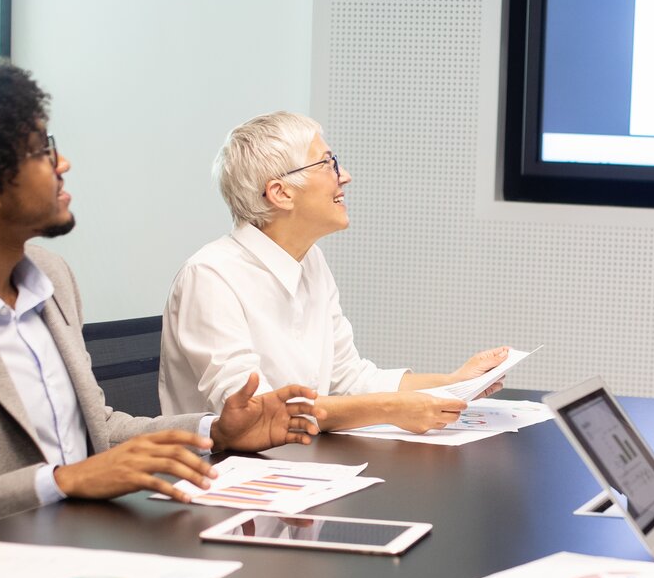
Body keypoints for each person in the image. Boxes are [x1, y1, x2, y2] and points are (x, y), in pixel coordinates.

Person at [0, 64, 324, 558]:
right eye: (42, 149)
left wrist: (214, 430)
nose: (63, 163)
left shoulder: (51, 276)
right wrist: (58, 482)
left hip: (79, 554)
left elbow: (97, 431)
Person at [160, 111, 508, 432]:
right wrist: (389, 409)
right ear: (280, 193)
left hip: (300, 465)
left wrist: (455, 382)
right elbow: (257, 415)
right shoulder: (209, 276)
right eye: (328, 164)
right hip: (225, 480)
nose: (344, 176)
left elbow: (348, 378)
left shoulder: (310, 260)